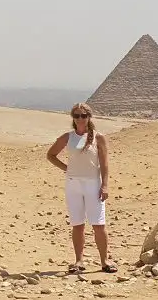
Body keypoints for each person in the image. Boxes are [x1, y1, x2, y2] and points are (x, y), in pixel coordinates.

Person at [46, 102, 117, 274]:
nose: (80, 119)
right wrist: (66, 168)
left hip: (93, 184)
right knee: (77, 224)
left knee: (98, 224)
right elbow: (51, 155)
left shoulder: (99, 138)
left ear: (89, 117)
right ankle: (78, 261)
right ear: (72, 118)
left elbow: (105, 164)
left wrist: (105, 185)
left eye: (83, 116)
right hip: (73, 185)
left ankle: (104, 261)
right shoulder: (67, 137)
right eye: (76, 116)